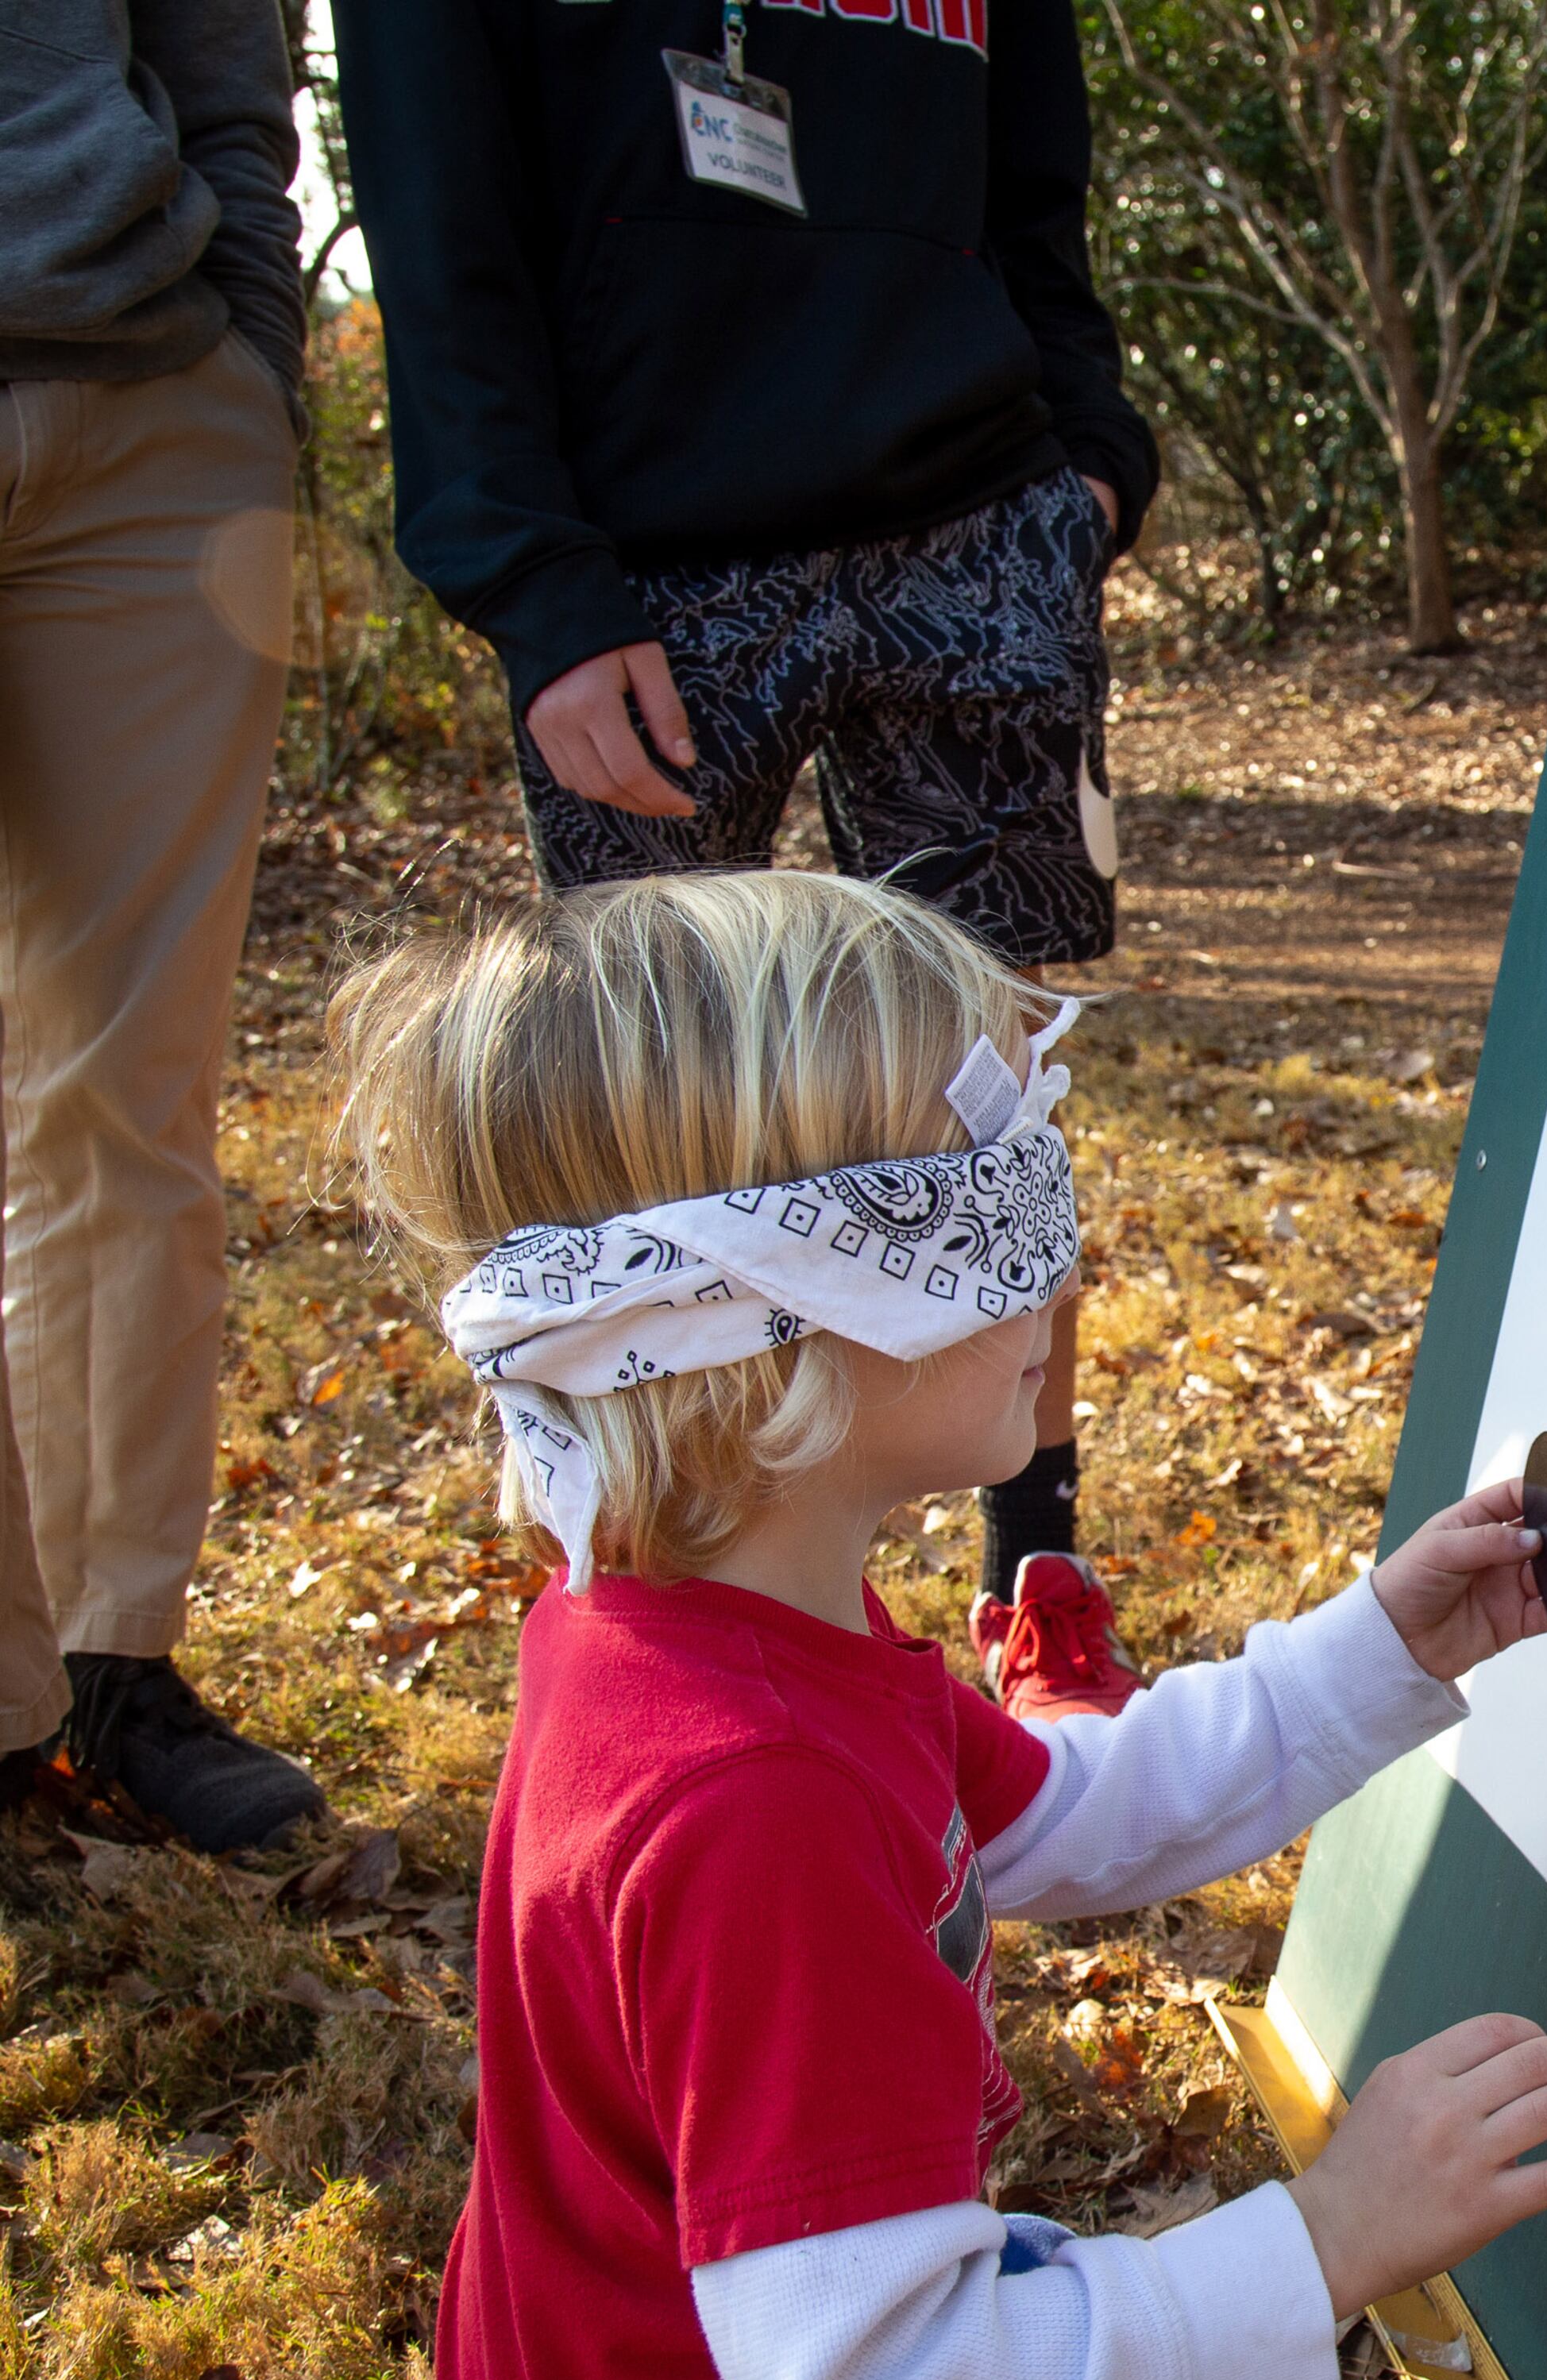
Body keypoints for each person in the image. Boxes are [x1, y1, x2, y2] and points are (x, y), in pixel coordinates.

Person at [329, 866, 1547, 2380]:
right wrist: (1333, 2234)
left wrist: (1383, 1649)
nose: (1061, 1268)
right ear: (758, 1331)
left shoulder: (723, 1635)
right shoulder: (743, 1798)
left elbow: (1064, 1816)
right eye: (978, 1217)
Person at [333, 0, 1158, 1722]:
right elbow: (433, 204)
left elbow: (1039, 184)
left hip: (978, 516)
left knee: (996, 1071)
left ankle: (1037, 1568)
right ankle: (676, 1608)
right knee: (641, 1116)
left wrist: (1089, 464)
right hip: (645, 559)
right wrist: (530, 583)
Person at [0, 0, 330, 1850]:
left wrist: (249, 366)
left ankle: (111, 1657)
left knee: (128, 1092)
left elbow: (221, 57)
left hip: (153, 411)